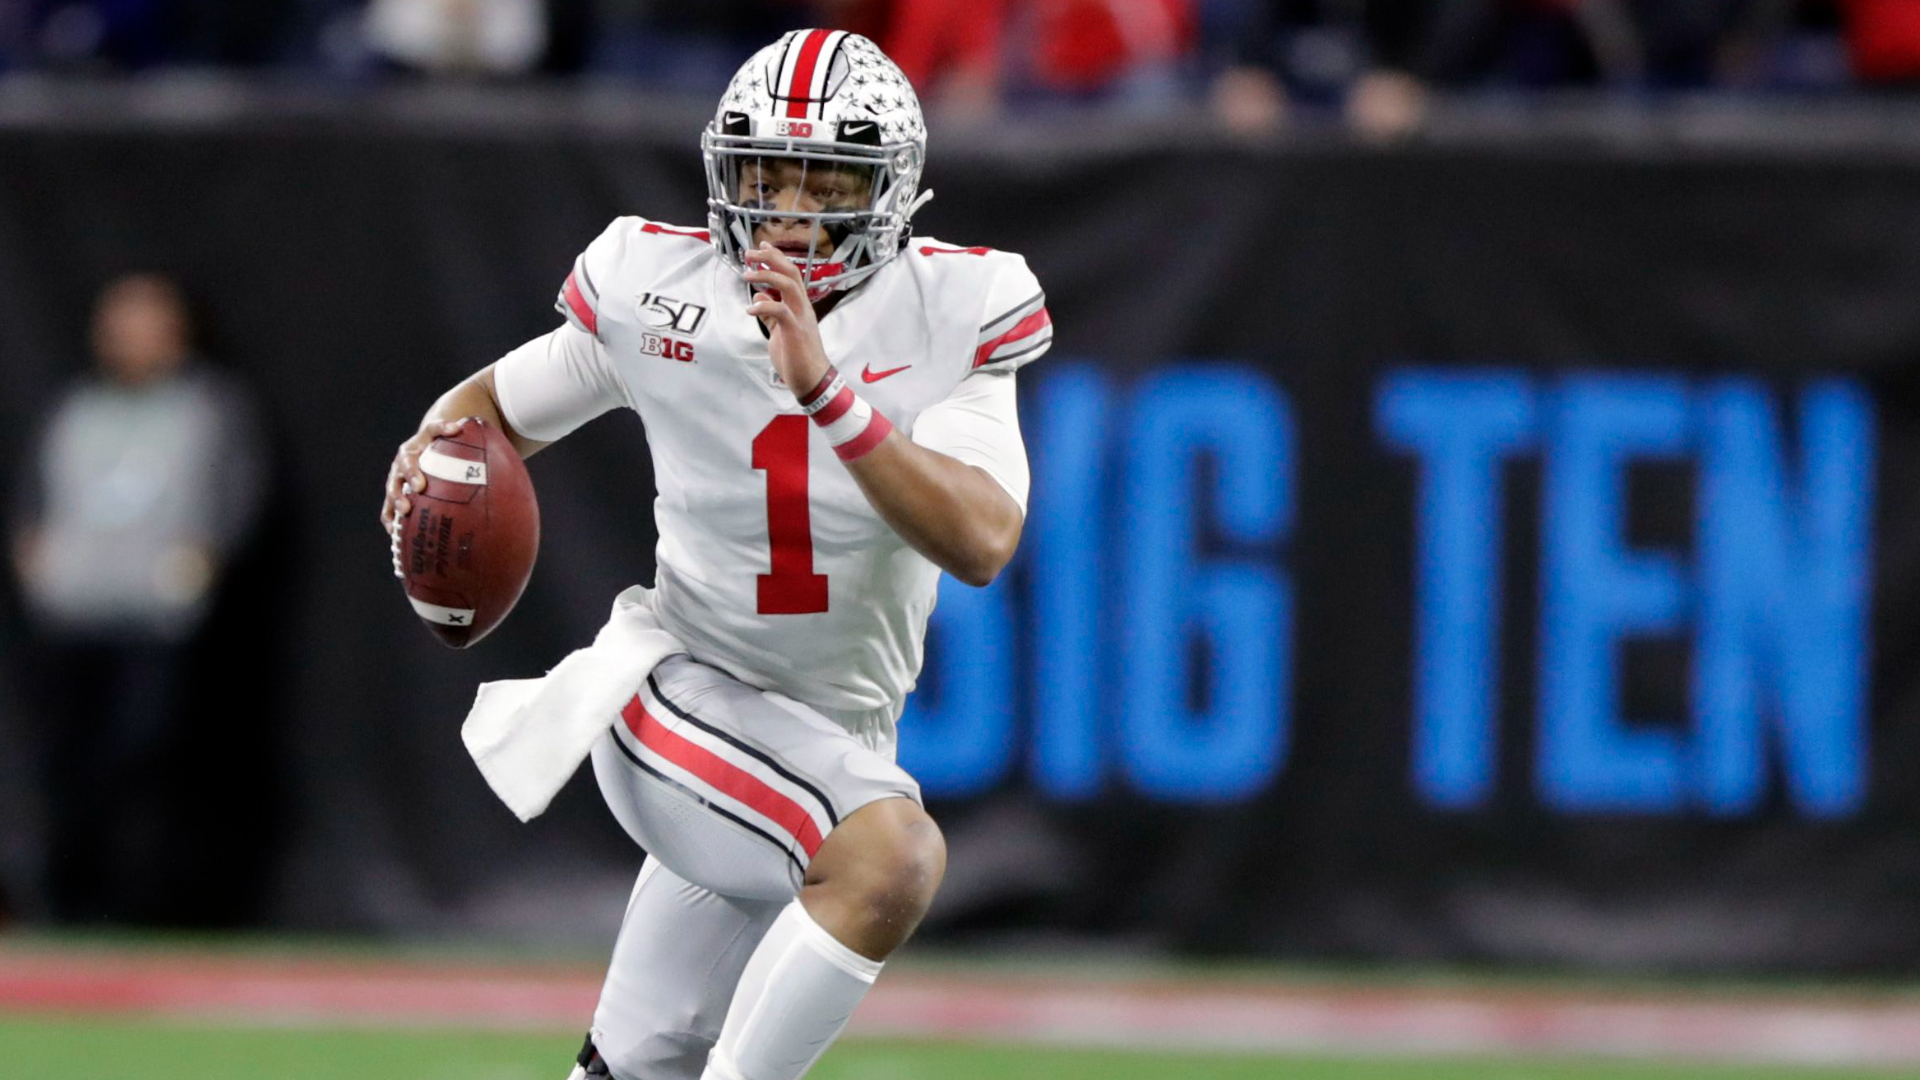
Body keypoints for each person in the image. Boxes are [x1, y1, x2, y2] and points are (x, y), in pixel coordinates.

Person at [378, 29, 1049, 1080]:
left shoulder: (955, 307)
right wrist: (426, 481)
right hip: (674, 693)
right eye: (763, 175)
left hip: (817, 740)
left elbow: (980, 538)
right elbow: (486, 414)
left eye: (821, 178)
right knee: (889, 858)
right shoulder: (660, 288)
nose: (784, 210)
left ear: (891, 188)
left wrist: (829, 393)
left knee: (635, 1067)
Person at [12, 272, 269, 922]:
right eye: (121, 318)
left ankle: (149, 908)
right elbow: (37, 496)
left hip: (158, 624)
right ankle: (65, 904)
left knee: (150, 763)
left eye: (147, 317)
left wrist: (202, 562)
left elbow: (238, 498)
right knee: (66, 768)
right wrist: (37, 559)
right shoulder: (76, 407)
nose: (131, 332)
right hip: (73, 618)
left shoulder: (210, 407)